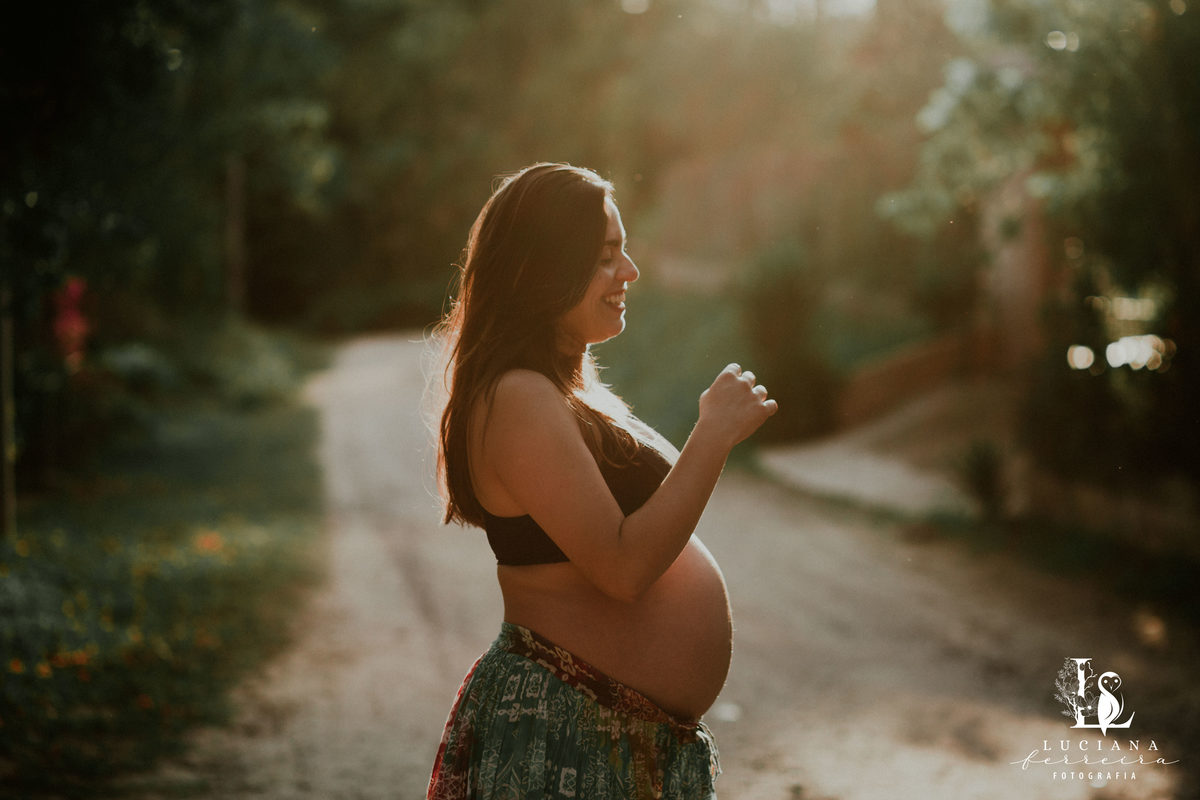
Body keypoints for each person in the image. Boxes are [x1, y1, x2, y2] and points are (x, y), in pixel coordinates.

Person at [427, 163, 777, 800]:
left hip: (610, 734)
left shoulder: (558, 391)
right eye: (606, 256)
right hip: (567, 730)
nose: (630, 272)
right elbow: (622, 567)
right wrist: (713, 436)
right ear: (543, 270)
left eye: (624, 250)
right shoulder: (516, 397)